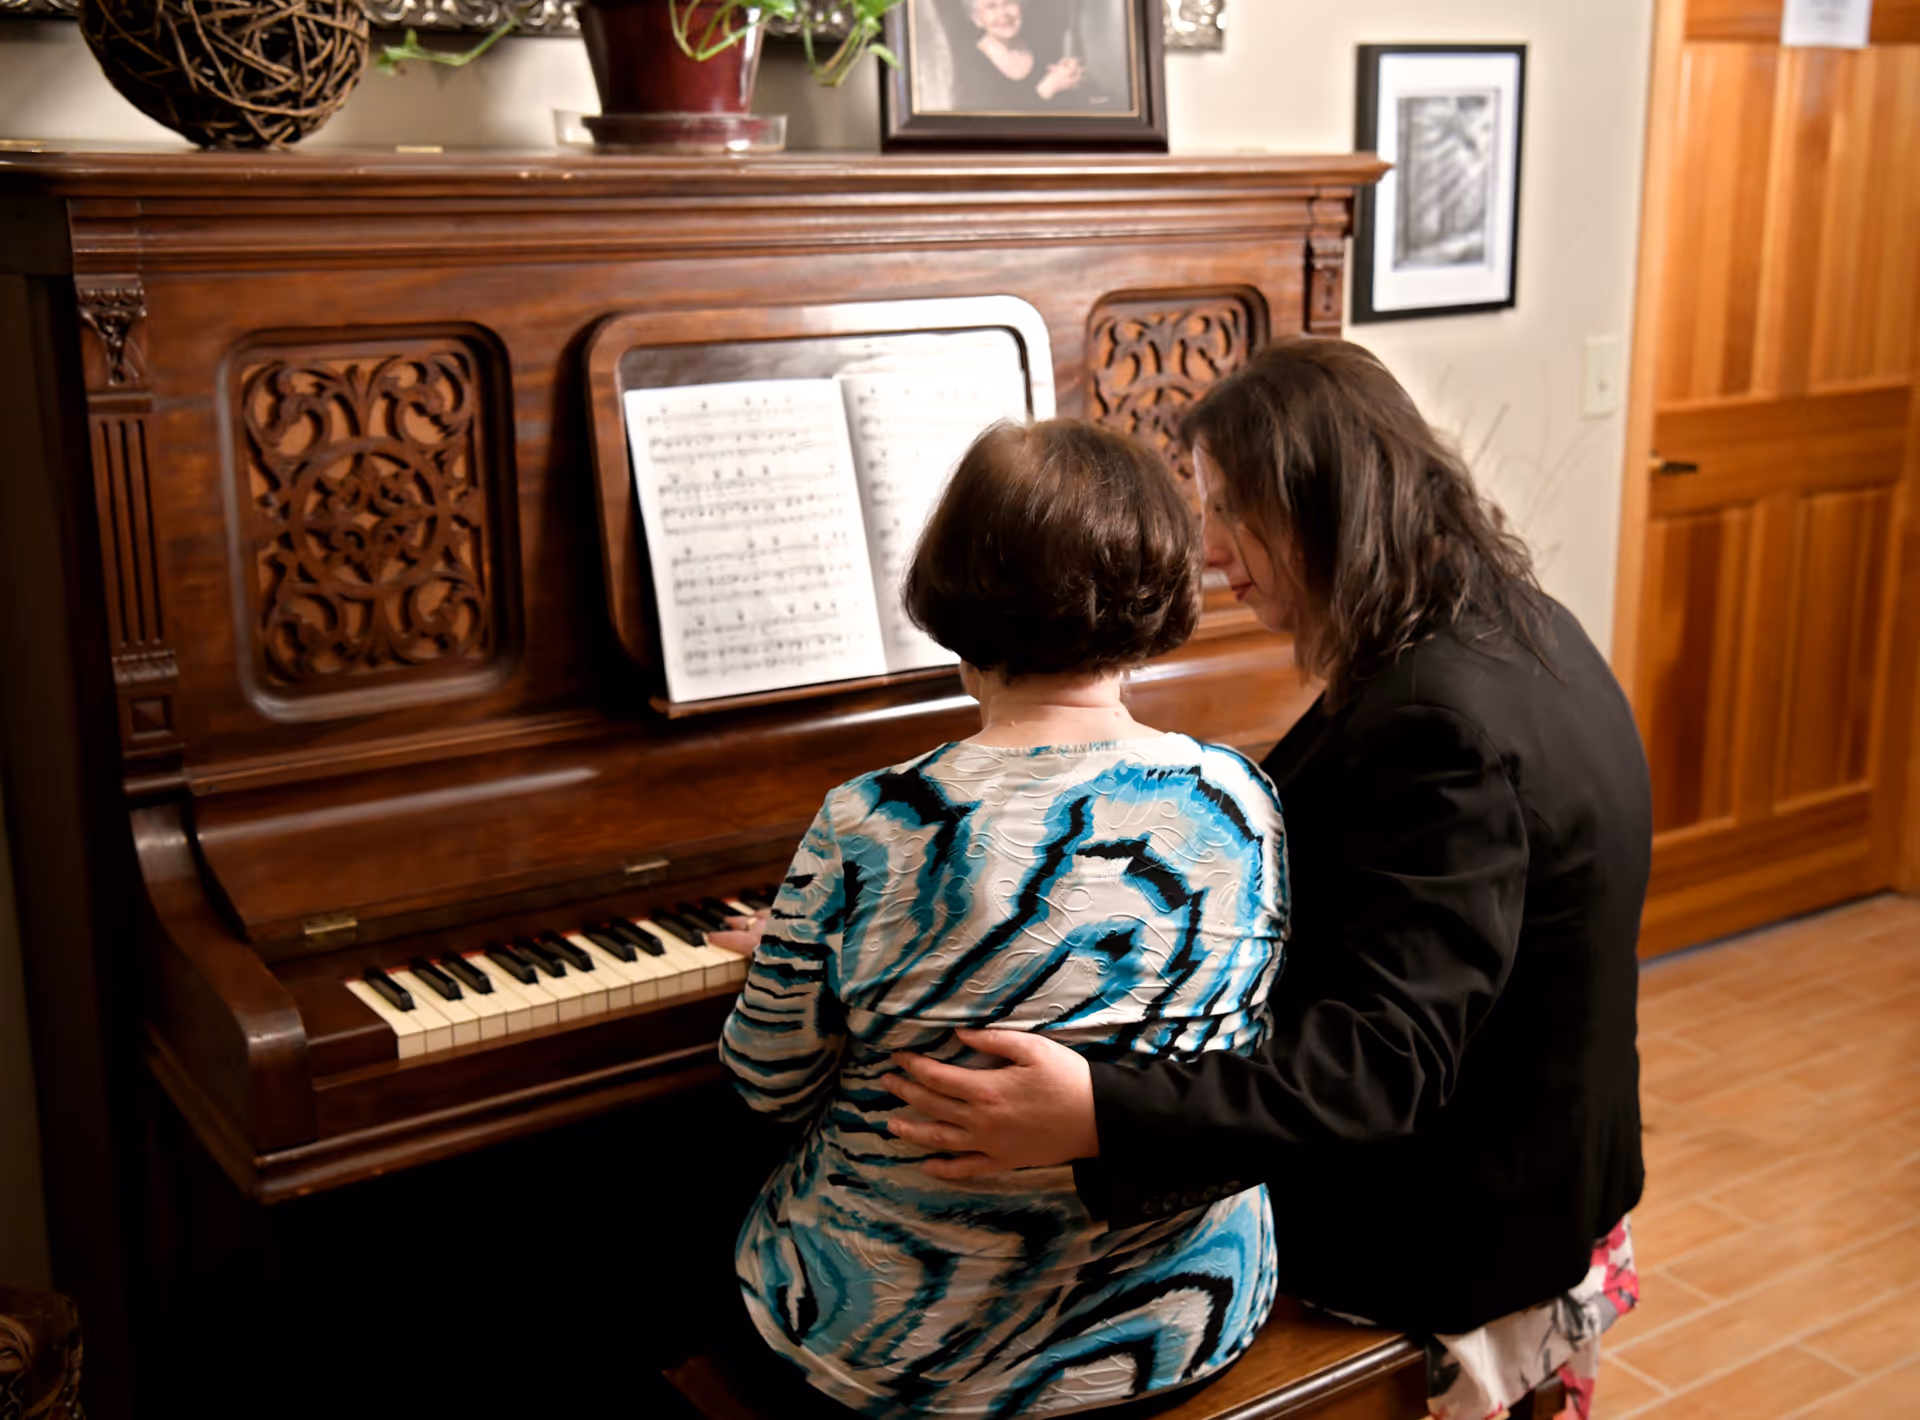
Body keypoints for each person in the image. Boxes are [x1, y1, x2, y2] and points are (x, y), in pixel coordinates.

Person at [878, 339, 1651, 1420]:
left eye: (1233, 511)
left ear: (1326, 500)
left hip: (1446, 1213)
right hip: (1537, 1151)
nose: (1211, 548)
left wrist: (1096, 1109)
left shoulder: (1435, 719)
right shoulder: (1505, 624)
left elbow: (1378, 1068)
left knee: (1005, 1246)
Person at [716, 419, 1290, 1418]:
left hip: (906, 1350)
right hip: (1184, 1318)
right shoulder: (1238, 801)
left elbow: (767, 1083)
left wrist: (816, 949)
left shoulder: (873, 824)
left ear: (956, 589)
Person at [941, 0, 1088, 111]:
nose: (1003, 14)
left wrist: (1069, 75)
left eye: (1009, 2)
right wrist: (1047, 89)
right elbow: (994, 132)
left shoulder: (1039, 44)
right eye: (991, 7)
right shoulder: (971, 67)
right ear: (978, 19)